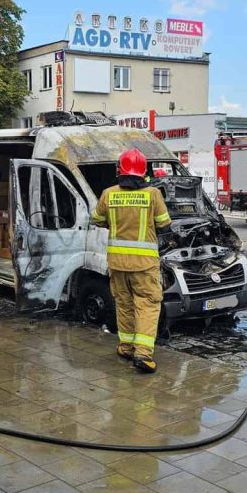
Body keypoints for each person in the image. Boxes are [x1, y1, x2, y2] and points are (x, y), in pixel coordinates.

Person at [90, 148, 172, 374]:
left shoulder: (108, 194)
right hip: (144, 265)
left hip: (117, 263)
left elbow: (96, 219)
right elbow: (164, 225)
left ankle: (126, 347)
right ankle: (143, 355)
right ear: (143, 172)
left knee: (124, 304)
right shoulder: (153, 194)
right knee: (147, 305)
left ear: (120, 170)